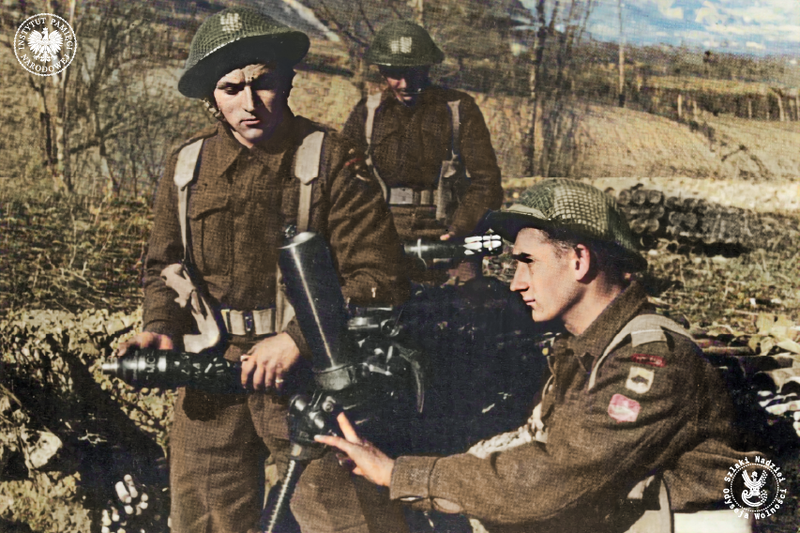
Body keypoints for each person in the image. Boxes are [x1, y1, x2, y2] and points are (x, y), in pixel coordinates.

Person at [317, 179, 762, 533]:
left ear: (580, 261)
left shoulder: (649, 363)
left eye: (528, 262)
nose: (515, 282)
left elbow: (549, 480)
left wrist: (401, 474)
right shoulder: (581, 348)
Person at [117, 7, 410, 533]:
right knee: (203, 520)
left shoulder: (331, 159)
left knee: (344, 522)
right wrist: (161, 330)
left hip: (310, 376)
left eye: (262, 83)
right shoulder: (186, 167)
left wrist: (297, 337)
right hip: (210, 377)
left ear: (287, 81)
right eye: (231, 88)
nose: (249, 103)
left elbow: (378, 276)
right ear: (212, 96)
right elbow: (165, 266)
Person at [341, 20, 503, 283]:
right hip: (382, 233)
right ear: (382, 70)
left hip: (448, 234)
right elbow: (343, 178)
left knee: (464, 307)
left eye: (414, 73)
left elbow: (487, 182)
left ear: (427, 68)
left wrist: (460, 227)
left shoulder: (459, 109)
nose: (405, 84)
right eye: (395, 73)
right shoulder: (368, 113)